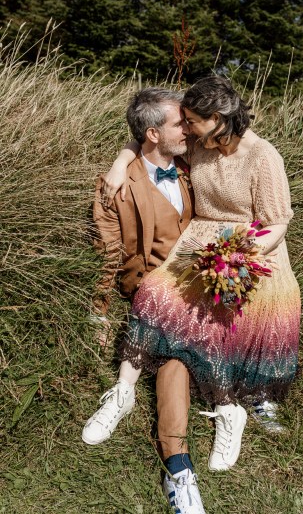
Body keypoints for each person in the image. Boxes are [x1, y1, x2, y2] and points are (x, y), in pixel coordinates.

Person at [104, 77, 301, 507]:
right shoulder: (199, 146)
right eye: (185, 122)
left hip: (250, 246)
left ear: (219, 120)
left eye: (194, 121)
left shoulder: (263, 156)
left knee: (225, 317)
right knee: (155, 293)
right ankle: (122, 391)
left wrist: (237, 254)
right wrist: (121, 161)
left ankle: (235, 405)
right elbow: (145, 143)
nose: (188, 129)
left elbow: (277, 222)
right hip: (198, 242)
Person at [82, 87, 206, 513]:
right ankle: (180, 467)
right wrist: (98, 314)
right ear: (153, 133)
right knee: (174, 351)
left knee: (174, 345)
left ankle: (126, 392)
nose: (189, 128)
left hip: (199, 285)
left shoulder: (194, 164)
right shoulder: (116, 185)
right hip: (150, 287)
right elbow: (108, 255)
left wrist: (125, 151)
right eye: (180, 124)